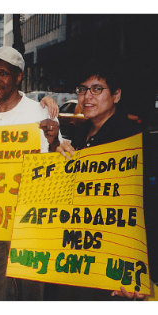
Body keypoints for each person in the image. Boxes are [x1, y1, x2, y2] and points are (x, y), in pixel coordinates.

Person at [0, 46, 61, 301]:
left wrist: (53, 143)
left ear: (19, 77)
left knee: (31, 291)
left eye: (3, 73)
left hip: (29, 219)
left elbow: (55, 166)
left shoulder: (37, 112)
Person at [50, 62, 148, 301]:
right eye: (82, 90)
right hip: (84, 258)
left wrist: (138, 271)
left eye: (96, 89)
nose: (86, 97)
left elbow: (142, 206)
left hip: (115, 266)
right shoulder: (83, 133)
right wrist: (58, 154)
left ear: (116, 95)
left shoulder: (129, 137)